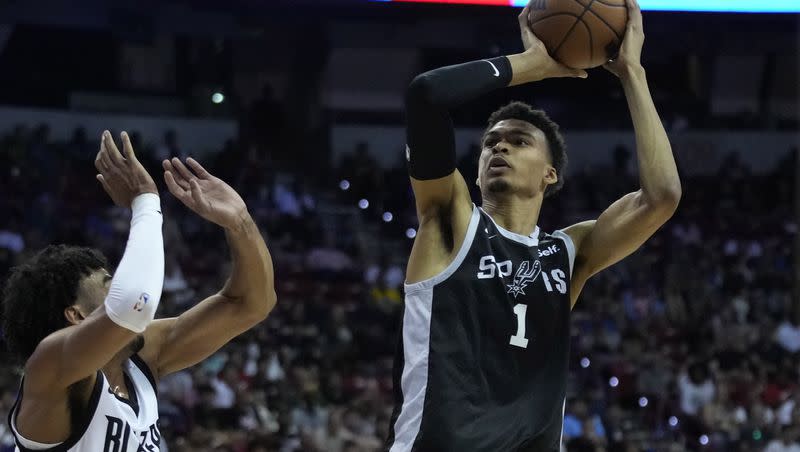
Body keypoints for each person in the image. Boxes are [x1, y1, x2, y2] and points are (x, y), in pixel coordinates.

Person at [386, 1, 681, 451]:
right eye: (490, 143)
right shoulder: (450, 220)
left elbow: (661, 198)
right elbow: (426, 95)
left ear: (551, 174)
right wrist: (530, 65)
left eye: (518, 141)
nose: (499, 147)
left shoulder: (567, 253)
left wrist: (631, 74)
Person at [1, 131, 277, 451]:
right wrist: (145, 202)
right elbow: (134, 304)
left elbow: (252, 303)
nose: (123, 285)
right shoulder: (50, 372)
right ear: (75, 315)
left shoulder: (142, 358)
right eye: (110, 285)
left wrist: (240, 223)